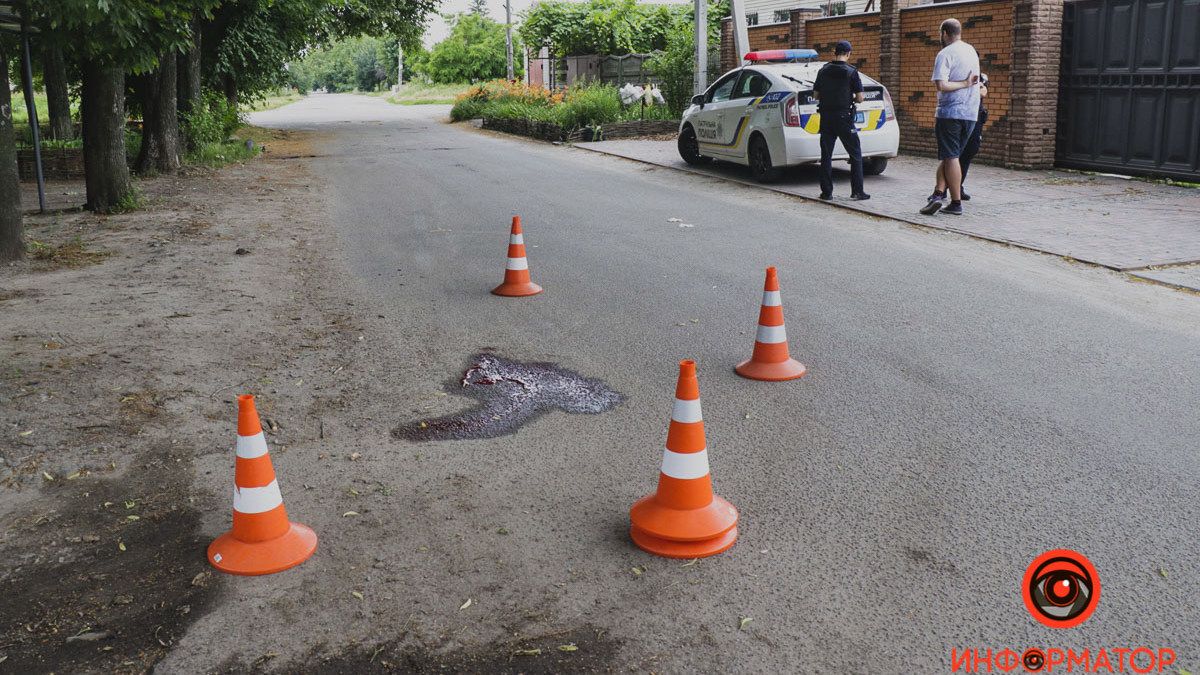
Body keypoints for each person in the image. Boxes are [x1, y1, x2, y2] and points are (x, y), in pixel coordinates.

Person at [919, 18, 979, 216]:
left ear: (945, 33)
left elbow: (942, 85)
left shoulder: (945, 54)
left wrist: (963, 83)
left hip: (951, 112)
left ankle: (955, 203)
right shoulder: (971, 51)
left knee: (951, 157)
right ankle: (937, 194)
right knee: (950, 156)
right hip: (971, 113)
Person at [813, 40, 869, 201]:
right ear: (849, 54)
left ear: (835, 53)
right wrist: (849, 96)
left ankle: (827, 193)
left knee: (826, 155)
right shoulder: (851, 72)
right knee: (856, 154)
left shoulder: (823, 70)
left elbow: (816, 95)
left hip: (826, 117)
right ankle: (857, 191)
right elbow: (860, 98)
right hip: (844, 117)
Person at [958, 72, 988, 200]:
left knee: (969, 152)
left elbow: (983, 91)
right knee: (952, 155)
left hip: (975, 118)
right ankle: (940, 189)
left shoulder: (981, 77)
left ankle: (958, 186)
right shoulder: (958, 75)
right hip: (959, 117)